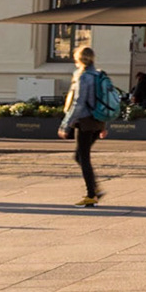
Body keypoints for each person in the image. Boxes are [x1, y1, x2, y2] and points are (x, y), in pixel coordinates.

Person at [58, 45, 108, 207]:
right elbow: (104, 100)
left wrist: (66, 124)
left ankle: (92, 194)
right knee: (80, 156)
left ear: (78, 59)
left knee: (83, 157)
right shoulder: (99, 75)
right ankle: (94, 189)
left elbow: (78, 103)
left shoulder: (83, 77)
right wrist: (103, 125)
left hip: (85, 122)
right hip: (97, 120)